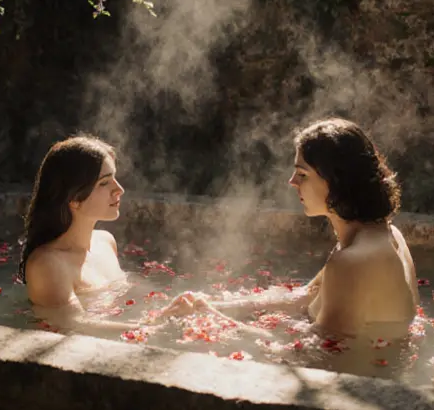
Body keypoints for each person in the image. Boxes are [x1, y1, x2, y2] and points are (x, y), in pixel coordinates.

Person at [163, 118, 418, 341]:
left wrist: (212, 319)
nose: (292, 182)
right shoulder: (384, 236)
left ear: (336, 180)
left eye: (302, 174)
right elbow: (305, 298)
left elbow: (315, 353)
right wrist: (210, 306)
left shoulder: (353, 261)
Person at [18, 135, 132, 330]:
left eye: (114, 178)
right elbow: (77, 326)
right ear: (74, 198)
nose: (119, 189)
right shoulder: (47, 265)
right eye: (104, 183)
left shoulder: (106, 243)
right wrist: (159, 323)